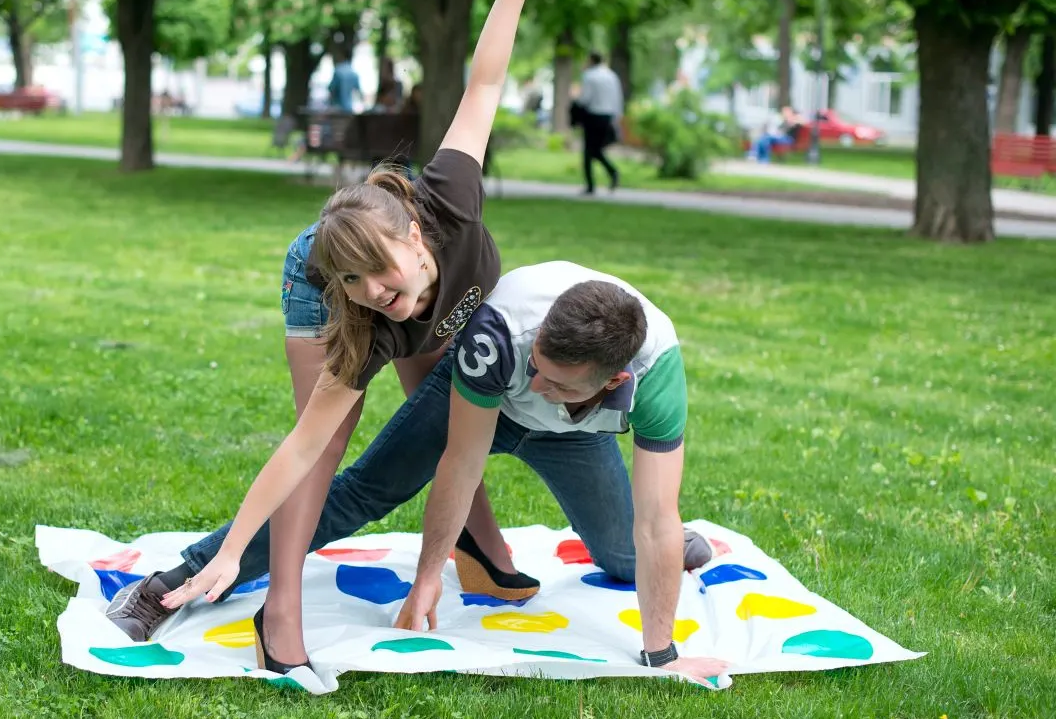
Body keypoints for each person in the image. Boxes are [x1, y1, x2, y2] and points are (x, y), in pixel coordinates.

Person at [105, 0, 552, 675]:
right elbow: (299, 448)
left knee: (445, 412)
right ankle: (277, 604)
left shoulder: (453, 200)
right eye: (363, 288)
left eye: (382, 277)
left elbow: (484, 87)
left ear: (417, 237)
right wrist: (229, 552)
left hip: (396, 259)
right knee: (330, 441)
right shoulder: (362, 310)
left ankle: (481, 546)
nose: (378, 296)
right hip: (316, 263)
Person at [160, 261, 730, 686]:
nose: (537, 387)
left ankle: (677, 548)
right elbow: (460, 463)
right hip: (484, 405)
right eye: (539, 368)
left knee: (630, 553)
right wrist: (428, 575)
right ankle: (189, 573)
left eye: (556, 383)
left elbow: (655, 518)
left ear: (612, 381)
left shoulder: (657, 373)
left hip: (577, 438)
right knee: (364, 491)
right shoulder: (500, 335)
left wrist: (663, 656)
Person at [576, 52, 624, 195]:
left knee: (589, 151)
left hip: (593, 115)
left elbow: (585, 98)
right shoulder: (611, 76)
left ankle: (591, 185)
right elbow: (618, 98)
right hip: (608, 115)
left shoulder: (589, 76)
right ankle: (612, 172)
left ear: (591, 60)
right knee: (596, 149)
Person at [328, 46, 363, 113]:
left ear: (342, 56)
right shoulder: (354, 73)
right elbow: (358, 91)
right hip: (349, 107)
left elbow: (331, 89)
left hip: (337, 108)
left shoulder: (338, 71)